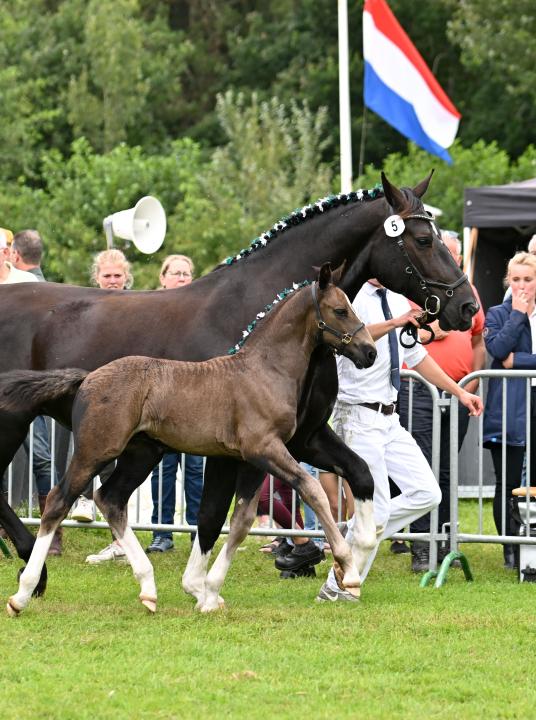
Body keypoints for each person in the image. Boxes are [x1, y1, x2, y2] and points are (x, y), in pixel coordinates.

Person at [316, 279, 483, 602]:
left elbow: (417, 356)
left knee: (427, 493)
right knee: (374, 513)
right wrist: (394, 323)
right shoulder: (349, 297)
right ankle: (340, 587)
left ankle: (354, 537)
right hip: (358, 415)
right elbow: (347, 339)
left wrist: (460, 391)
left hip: (391, 418)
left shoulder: (396, 299)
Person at [398, 229, 486, 572]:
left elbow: (478, 339)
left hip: (459, 390)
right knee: (422, 466)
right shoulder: (414, 289)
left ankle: (446, 538)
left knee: (447, 468)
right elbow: (406, 332)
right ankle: (422, 544)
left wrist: (474, 379)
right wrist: (434, 330)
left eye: (452, 255)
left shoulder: (468, 290)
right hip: (420, 388)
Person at [0, 230, 63, 554]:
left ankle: (51, 531)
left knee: (40, 454)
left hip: (23, 381)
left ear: (8, 252)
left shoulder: (23, 282)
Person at [145, 254, 205, 554]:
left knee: (195, 470)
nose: (182, 278)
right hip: (159, 402)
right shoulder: (152, 311)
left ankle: (197, 531)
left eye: (187, 273)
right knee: (163, 469)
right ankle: (162, 533)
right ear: (163, 278)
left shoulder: (200, 311)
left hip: (193, 403)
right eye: (176, 273)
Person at [483, 251, 536, 569]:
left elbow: (513, 359)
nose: (521, 286)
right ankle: (510, 548)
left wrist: (520, 361)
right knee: (508, 481)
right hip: (509, 409)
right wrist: (518, 314)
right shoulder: (497, 314)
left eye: (528, 279)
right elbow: (500, 351)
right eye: (515, 280)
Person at [72, 249, 132, 528]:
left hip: (128, 391)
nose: (112, 280)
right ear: (97, 278)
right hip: (93, 386)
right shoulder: (86, 307)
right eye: (107, 275)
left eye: (117, 275)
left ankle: (118, 534)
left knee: (123, 459)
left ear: (126, 277)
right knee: (91, 450)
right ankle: (82, 500)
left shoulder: (137, 306)